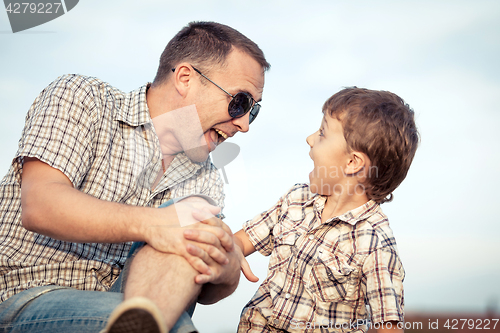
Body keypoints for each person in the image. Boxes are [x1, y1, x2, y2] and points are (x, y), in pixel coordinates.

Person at [0, 21, 270, 333]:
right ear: (185, 78)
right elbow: (41, 204)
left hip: (131, 305)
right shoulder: (84, 99)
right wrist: (156, 223)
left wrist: (226, 266)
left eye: (253, 111)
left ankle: (139, 323)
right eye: (240, 102)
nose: (244, 125)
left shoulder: (206, 179)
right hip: (25, 295)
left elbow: (205, 288)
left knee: (187, 240)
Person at [231, 87, 419, 332]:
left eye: (322, 133)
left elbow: (388, 326)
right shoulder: (296, 200)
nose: (310, 138)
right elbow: (241, 241)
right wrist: (233, 249)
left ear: (352, 162)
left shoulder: (375, 242)